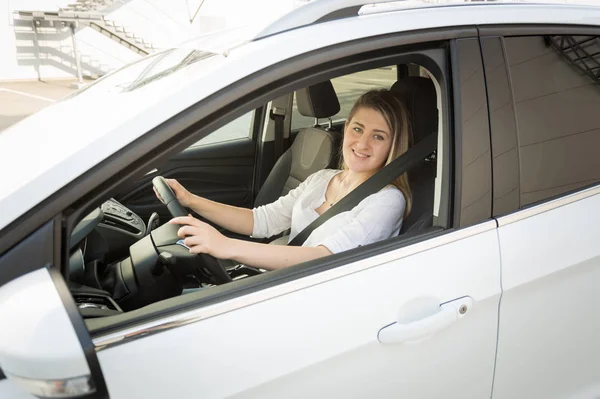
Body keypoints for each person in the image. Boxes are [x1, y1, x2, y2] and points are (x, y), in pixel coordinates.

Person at [159, 89, 413, 271]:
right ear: (346, 127)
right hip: (283, 279)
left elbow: (322, 258)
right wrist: (191, 201)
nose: (362, 143)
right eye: (358, 129)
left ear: (393, 145)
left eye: (378, 136)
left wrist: (226, 246)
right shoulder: (322, 178)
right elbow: (261, 220)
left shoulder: (388, 200)